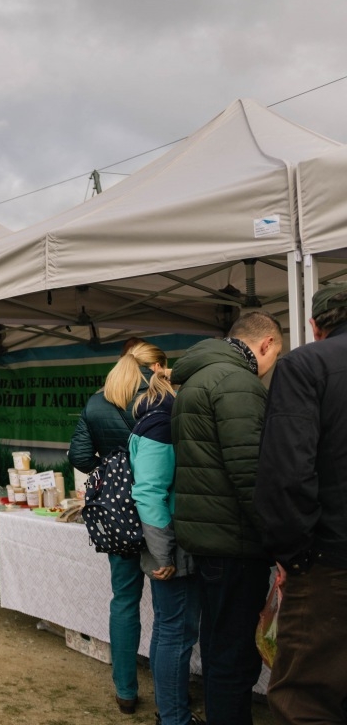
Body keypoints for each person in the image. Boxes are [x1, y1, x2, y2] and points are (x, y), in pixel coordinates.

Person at [171, 310, 283, 725]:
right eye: (274, 358)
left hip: (210, 539)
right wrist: (279, 541)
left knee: (219, 651)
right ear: (266, 344)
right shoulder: (236, 382)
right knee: (233, 660)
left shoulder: (199, 378)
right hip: (235, 542)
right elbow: (252, 473)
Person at [256, 284, 347, 724]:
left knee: (305, 700)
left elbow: (287, 473)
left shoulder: (305, 365)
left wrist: (293, 555)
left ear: (314, 325)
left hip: (329, 564)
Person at [68, 339, 167, 715]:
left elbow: (78, 454)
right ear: (155, 366)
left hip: (117, 513)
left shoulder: (97, 401)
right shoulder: (162, 399)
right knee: (166, 608)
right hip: (158, 508)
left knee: (124, 600)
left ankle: (126, 692)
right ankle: (167, 695)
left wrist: (111, 471)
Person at [128, 368, 201, 725]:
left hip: (166, 540)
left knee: (167, 628)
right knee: (176, 632)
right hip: (169, 542)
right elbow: (149, 491)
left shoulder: (150, 418)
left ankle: (169, 711)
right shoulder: (161, 424)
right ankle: (175, 719)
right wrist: (163, 551)